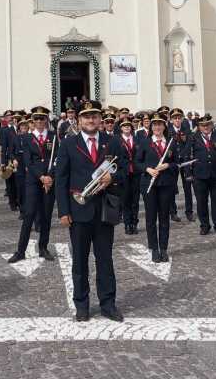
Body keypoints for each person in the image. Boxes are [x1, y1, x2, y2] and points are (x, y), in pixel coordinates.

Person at [55, 100, 123, 322]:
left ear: (100, 119)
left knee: (105, 260)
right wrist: (64, 212)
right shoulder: (68, 144)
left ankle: (108, 304)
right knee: (80, 262)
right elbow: (61, 179)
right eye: (86, 116)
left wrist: (112, 176)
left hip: (104, 210)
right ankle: (82, 305)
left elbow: (125, 169)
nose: (91, 120)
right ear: (79, 120)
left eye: (94, 116)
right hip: (79, 210)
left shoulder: (112, 142)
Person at [8, 106, 57, 263]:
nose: (39, 121)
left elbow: (57, 159)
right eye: (36, 119)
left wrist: (50, 177)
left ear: (46, 120)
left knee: (46, 215)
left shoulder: (54, 136)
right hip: (33, 181)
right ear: (32, 121)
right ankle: (20, 251)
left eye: (42, 118)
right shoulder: (27, 138)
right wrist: (42, 177)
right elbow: (28, 162)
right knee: (29, 214)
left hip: (50, 181)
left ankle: (43, 247)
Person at [135, 113, 180, 263]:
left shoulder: (171, 143)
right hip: (149, 184)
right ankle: (154, 248)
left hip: (166, 184)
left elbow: (176, 163)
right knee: (150, 218)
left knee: (164, 218)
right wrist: (148, 169)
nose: (157, 127)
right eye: (154, 125)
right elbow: (137, 163)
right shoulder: (145, 142)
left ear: (164, 126)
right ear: (151, 127)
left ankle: (164, 248)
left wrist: (168, 165)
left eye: (160, 124)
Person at [187, 114, 216, 236]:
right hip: (199, 175)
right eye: (202, 125)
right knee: (201, 202)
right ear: (199, 127)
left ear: (211, 125)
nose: (205, 127)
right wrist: (189, 174)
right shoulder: (193, 138)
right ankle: (204, 225)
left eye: (207, 125)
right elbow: (187, 156)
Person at [168, 108, 195, 222]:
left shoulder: (187, 130)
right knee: (172, 187)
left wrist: (184, 157)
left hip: (185, 162)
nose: (177, 120)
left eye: (179, 118)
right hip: (173, 162)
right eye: (175, 118)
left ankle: (189, 212)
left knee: (187, 187)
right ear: (171, 120)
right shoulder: (168, 131)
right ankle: (173, 212)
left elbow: (189, 145)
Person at [116, 116, 140, 235]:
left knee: (135, 201)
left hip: (135, 173)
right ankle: (127, 224)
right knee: (125, 200)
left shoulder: (137, 139)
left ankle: (134, 223)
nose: (126, 127)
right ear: (121, 128)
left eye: (128, 126)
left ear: (131, 128)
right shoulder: (117, 140)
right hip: (123, 173)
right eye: (124, 126)